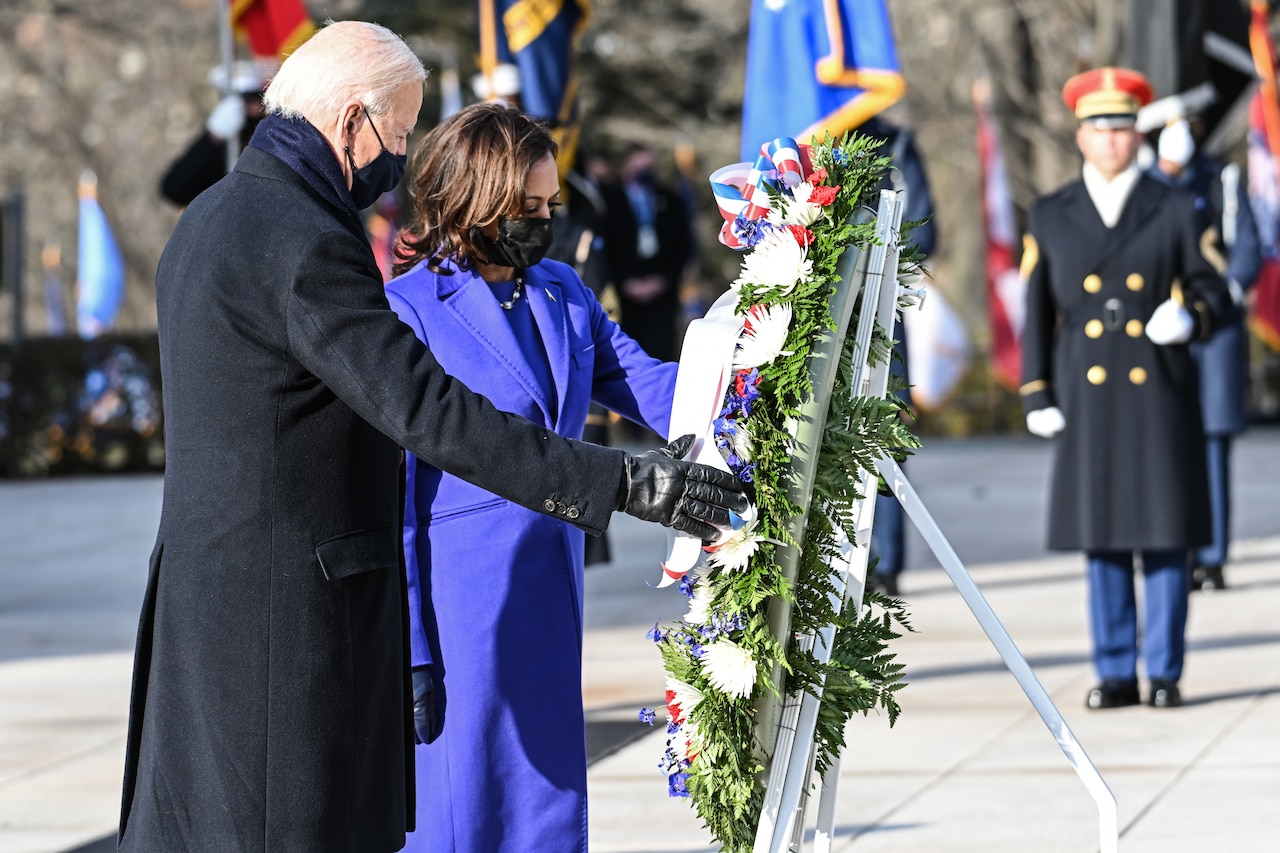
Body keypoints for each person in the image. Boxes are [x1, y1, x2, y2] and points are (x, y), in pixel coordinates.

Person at [117, 21, 746, 853]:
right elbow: (427, 414)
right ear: (351, 123)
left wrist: (757, 388)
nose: (397, 160)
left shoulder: (208, 219)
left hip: (226, 606)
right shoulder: (303, 239)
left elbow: (647, 383)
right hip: (293, 625)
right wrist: (623, 485)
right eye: (398, 133)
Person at [383, 102, 677, 853]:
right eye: (527, 206)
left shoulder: (563, 292)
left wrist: (760, 382)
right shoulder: (406, 311)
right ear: (475, 199)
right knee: (466, 816)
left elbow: (655, 387)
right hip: (462, 606)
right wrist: (411, 649)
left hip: (552, 587)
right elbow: (396, 503)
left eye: (551, 205)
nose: (544, 221)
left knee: (545, 815)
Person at [1020, 67, 1232, 711]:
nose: (1111, 140)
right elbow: (1035, 313)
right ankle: (1115, 669)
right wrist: (1037, 393)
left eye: (1121, 128)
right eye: (1098, 129)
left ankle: (1164, 669)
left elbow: (1216, 288)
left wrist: (1191, 315)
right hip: (1089, 391)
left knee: (1166, 533)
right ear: (1080, 137)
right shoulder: (1052, 213)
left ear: (1137, 136)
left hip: (1157, 387)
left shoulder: (1174, 206)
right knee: (1104, 532)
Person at [1147, 117, 1262, 592]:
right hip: (1160, 326)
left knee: (1212, 445)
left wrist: (1214, 303)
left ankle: (1210, 557)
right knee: (1162, 443)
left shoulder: (1221, 182)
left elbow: (1247, 253)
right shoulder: (1143, 186)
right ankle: (1171, 547)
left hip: (1213, 333)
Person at [861, 115, 937, 598]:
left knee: (880, 435)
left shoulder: (896, 142)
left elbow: (924, 234)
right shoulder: (804, 126)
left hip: (880, 307)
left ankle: (883, 563)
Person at [599, 142, 695, 367]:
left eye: (649, 166)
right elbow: (604, 249)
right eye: (638, 167)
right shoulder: (608, 204)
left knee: (659, 357)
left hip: (662, 297)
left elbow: (683, 247)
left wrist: (662, 281)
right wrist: (624, 283)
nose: (645, 173)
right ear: (625, 168)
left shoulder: (671, 201)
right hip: (623, 299)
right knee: (625, 362)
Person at [159, 61, 268, 208]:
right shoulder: (216, 153)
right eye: (245, 100)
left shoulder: (268, 140)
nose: (254, 107)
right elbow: (174, 188)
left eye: (256, 98)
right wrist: (213, 137)